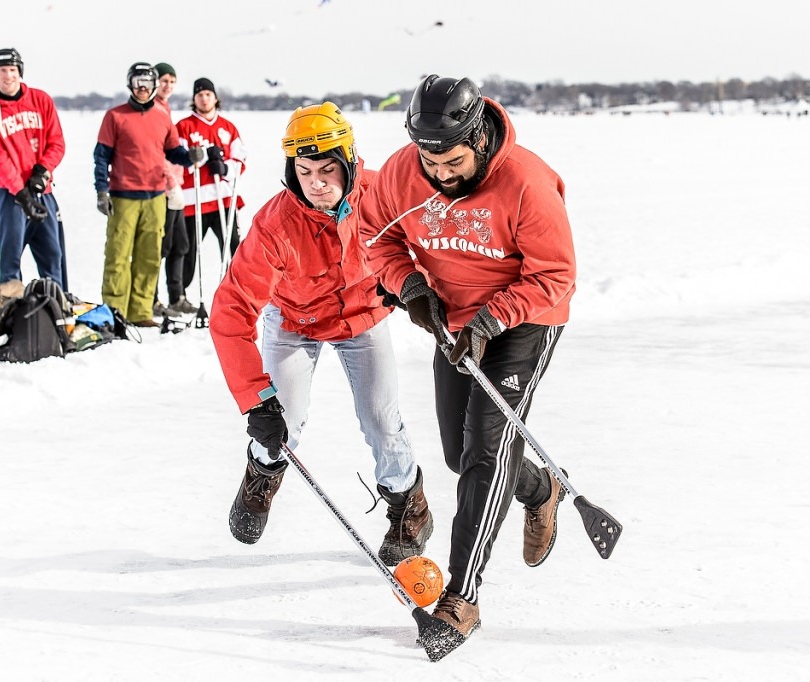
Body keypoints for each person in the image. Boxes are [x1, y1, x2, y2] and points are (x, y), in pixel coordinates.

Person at [359, 75, 576, 651]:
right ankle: (538, 489)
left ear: (477, 139)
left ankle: (463, 597)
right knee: (463, 457)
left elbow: (555, 276)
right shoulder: (403, 171)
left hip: (526, 319)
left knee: (486, 445)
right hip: (450, 318)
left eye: (452, 161)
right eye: (430, 161)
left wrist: (491, 319)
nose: (439, 174)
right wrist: (408, 287)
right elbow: (374, 239)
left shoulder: (527, 182)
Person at [209, 102, 432, 566]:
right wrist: (254, 399)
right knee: (281, 421)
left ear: (349, 163)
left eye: (328, 169)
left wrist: (406, 283)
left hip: (363, 317)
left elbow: (424, 240)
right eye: (305, 170)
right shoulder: (275, 225)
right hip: (295, 320)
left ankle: (409, 505)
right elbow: (231, 310)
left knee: (381, 419)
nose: (316, 182)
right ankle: (262, 469)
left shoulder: (379, 196)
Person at [93, 62, 192, 328]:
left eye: (147, 82)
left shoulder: (162, 117)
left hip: (155, 197)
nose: (143, 87)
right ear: (130, 84)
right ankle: (114, 311)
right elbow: (101, 156)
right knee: (118, 254)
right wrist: (101, 191)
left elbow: (172, 152)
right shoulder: (115, 116)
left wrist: (190, 156)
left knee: (149, 256)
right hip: (123, 196)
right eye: (138, 82)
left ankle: (140, 310)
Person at [0, 47, 68, 291]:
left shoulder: (41, 100)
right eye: (3, 70)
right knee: (10, 261)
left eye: (13, 70)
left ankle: (55, 312)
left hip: (43, 193)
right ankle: (11, 315)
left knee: (53, 257)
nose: (8, 76)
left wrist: (43, 172)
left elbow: (57, 142)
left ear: (20, 72)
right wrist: (21, 192)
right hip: (11, 196)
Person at [176, 77, 247, 314]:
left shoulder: (228, 128)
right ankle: (181, 294)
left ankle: (239, 291)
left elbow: (240, 160)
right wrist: (204, 156)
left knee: (233, 247)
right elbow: (179, 160)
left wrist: (224, 167)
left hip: (223, 198)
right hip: (193, 201)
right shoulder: (184, 127)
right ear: (193, 99)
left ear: (215, 98)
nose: (204, 98)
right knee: (188, 250)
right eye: (199, 95)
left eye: (208, 94)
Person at [151, 62, 189, 319]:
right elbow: (155, 151)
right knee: (161, 246)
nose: (168, 86)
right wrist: (169, 180)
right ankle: (151, 299)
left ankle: (177, 297)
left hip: (176, 185)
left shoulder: (165, 109)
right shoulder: (153, 109)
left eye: (172, 82)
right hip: (163, 188)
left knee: (180, 245)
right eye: (164, 81)